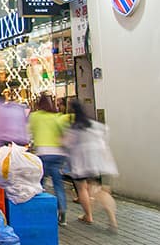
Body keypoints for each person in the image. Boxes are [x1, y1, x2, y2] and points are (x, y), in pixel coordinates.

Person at [64, 100, 119, 232]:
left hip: (81, 164)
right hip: (100, 163)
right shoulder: (94, 125)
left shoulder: (75, 127)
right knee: (100, 191)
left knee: (82, 189)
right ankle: (113, 220)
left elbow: (66, 143)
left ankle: (88, 216)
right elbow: (106, 134)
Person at [29, 92, 70, 226]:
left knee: (39, 183)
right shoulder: (57, 117)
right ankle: (62, 211)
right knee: (58, 184)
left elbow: (29, 133)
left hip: (43, 154)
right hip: (58, 154)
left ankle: (40, 210)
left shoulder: (35, 117)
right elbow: (64, 134)